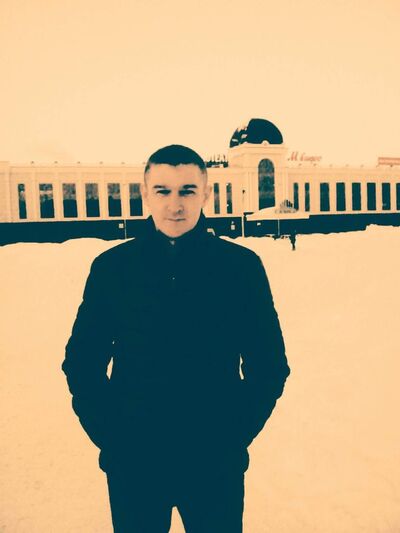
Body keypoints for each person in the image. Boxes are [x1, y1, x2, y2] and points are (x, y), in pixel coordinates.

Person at [62, 144, 290, 533]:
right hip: (135, 467)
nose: (175, 204)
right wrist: (113, 439)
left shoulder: (240, 268)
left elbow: (269, 366)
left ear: (206, 194)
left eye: (187, 190)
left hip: (214, 467)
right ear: (145, 194)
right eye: (163, 191)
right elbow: (82, 362)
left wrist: (232, 436)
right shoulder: (113, 269)